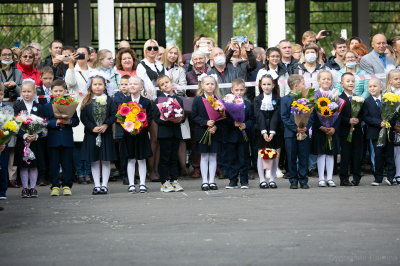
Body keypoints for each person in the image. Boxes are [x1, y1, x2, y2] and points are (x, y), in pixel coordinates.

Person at [207, 47, 245, 179]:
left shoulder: (236, 71)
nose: (219, 56)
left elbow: (241, 89)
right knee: (223, 140)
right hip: (218, 110)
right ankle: (224, 169)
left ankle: (241, 168)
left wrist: (237, 104)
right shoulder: (210, 74)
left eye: (220, 53)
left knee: (238, 141)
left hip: (236, 110)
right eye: (215, 55)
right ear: (211, 60)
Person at [80, 71, 118, 195]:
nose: (97, 87)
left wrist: (106, 124)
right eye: (95, 84)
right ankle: (97, 185)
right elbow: (84, 117)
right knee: (94, 160)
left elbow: (114, 114)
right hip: (92, 134)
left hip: (105, 134)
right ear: (91, 86)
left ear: (105, 86)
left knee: (106, 160)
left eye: (100, 84)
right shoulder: (87, 101)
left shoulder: (109, 100)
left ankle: (104, 185)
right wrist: (92, 127)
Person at [136, 39, 166, 182]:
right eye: (149, 48)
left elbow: (165, 82)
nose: (152, 50)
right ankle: (151, 170)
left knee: (159, 139)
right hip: (150, 103)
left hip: (162, 102)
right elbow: (144, 85)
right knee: (153, 138)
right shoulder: (141, 65)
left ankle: (156, 168)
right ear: (145, 49)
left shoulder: (160, 65)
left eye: (155, 48)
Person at [44, 79, 80, 196]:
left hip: (67, 139)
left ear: (65, 91)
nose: (58, 93)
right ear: (51, 92)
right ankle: (54, 186)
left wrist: (69, 121)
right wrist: (56, 122)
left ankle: (66, 185)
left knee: (67, 163)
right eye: (56, 91)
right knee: (54, 164)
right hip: (53, 139)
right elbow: (44, 122)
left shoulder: (70, 104)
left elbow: (76, 121)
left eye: (61, 91)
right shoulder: (47, 106)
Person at [65, 47, 94, 184]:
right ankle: (80, 173)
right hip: (77, 109)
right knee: (77, 144)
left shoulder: (94, 72)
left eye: (84, 54)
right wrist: (71, 64)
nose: (81, 56)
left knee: (89, 143)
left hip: (91, 109)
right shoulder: (72, 70)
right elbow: (70, 83)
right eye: (78, 54)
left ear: (89, 56)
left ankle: (87, 173)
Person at [281, 74, 314, 189]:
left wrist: (306, 127)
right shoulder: (285, 99)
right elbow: (284, 117)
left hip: (303, 132)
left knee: (304, 156)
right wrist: (295, 128)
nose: (305, 86)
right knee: (291, 157)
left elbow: (311, 115)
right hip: (290, 134)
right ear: (296, 85)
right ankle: (293, 180)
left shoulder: (307, 99)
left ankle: (304, 179)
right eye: (303, 83)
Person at [361, 78, 396, 186]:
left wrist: (388, 122)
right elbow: (366, 117)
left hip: (388, 132)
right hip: (375, 133)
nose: (372, 88)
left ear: (381, 87)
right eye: (370, 86)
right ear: (367, 88)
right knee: (378, 155)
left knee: (389, 154)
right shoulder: (366, 101)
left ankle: (391, 177)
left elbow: (394, 114)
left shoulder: (387, 99)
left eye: (375, 86)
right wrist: (378, 122)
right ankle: (378, 177)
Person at [120, 76, 152, 193]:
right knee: (131, 159)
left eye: (135, 84)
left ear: (141, 87)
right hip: (128, 136)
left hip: (142, 135)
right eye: (130, 83)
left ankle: (143, 184)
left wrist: (139, 130)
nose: (132, 85)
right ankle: (131, 184)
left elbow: (149, 119)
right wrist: (130, 129)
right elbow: (121, 119)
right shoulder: (124, 102)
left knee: (142, 159)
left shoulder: (146, 102)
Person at [153, 74, 185, 192]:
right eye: (162, 84)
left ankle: (174, 180)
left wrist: (180, 119)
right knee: (165, 158)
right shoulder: (159, 100)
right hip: (165, 133)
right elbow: (156, 118)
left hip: (176, 132)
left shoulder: (179, 99)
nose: (165, 85)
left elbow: (183, 115)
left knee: (174, 157)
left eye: (167, 82)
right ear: (160, 88)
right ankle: (164, 182)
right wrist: (168, 120)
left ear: (171, 82)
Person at [14, 79, 45, 198]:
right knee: (23, 166)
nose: (26, 94)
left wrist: (36, 135)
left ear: (34, 93)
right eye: (24, 91)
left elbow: (43, 124)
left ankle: (33, 188)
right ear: (21, 92)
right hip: (23, 141)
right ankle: (25, 188)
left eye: (29, 91)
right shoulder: (18, 106)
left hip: (35, 141)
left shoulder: (39, 106)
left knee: (33, 165)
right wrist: (25, 135)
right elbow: (15, 125)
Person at [191, 74, 222, 191]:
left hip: (215, 132)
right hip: (202, 131)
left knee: (213, 156)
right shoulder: (198, 100)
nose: (210, 86)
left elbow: (222, 117)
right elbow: (194, 116)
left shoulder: (218, 99)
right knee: (204, 156)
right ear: (202, 85)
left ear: (215, 85)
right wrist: (205, 122)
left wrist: (216, 126)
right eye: (207, 84)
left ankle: (212, 181)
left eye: (212, 84)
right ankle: (204, 181)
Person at [310, 70, 341, 187]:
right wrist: (321, 126)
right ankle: (321, 178)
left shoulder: (335, 94)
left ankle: (330, 178)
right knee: (321, 154)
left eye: (328, 79)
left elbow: (339, 113)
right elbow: (313, 114)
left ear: (331, 81)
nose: (326, 81)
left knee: (330, 154)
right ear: (318, 81)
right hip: (319, 130)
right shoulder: (315, 94)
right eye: (323, 79)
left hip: (332, 130)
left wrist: (334, 128)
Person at [224, 79, 254, 189]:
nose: (239, 92)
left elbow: (252, 119)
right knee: (232, 159)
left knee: (244, 159)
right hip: (231, 136)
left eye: (241, 90)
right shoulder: (227, 105)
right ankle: (233, 181)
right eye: (236, 90)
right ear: (232, 90)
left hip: (243, 136)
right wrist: (233, 123)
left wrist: (246, 124)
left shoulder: (249, 105)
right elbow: (225, 120)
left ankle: (244, 181)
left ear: (245, 90)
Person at [253, 74, 281, 189]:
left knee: (274, 154)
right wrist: (264, 131)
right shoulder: (257, 99)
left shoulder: (278, 99)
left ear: (273, 85)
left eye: (269, 84)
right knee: (261, 154)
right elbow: (258, 115)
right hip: (260, 130)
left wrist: (272, 131)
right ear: (260, 85)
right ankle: (262, 180)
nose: (266, 86)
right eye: (264, 84)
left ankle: (272, 179)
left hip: (275, 130)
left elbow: (276, 115)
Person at [338, 72, 363, 186]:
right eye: (348, 81)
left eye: (352, 81)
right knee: (346, 154)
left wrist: (359, 120)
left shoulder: (358, 98)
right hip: (345, 131)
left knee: (357, 154)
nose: (350, 83)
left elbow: (363, 114)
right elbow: (337, 116)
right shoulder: (339, 99)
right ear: (342, 83)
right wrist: (348, 120)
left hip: (356, 131)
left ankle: (356, 177)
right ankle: (344, 178)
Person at [114, 75, 131, 185]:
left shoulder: (134, 96)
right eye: (122, 84)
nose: (124, 86)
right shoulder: (117, 97)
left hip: (133, 129)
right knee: (123, 153)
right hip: (122, 129)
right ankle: (124, 174)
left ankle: (132, 174)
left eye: (126, 84)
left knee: (132, 153)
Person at [387, 69, 400, 185]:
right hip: (393, 127)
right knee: (395, 151)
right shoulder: (388, 94)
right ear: (390, 80)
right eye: (396, 79)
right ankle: (395, 174)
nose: (398, 81)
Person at [0, 85, 9, 200]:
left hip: (3, 144)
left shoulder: (7, 109)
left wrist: (4, 141)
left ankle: (2, 190)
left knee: (3, 167)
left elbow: (10, 128)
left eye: (1, 94)